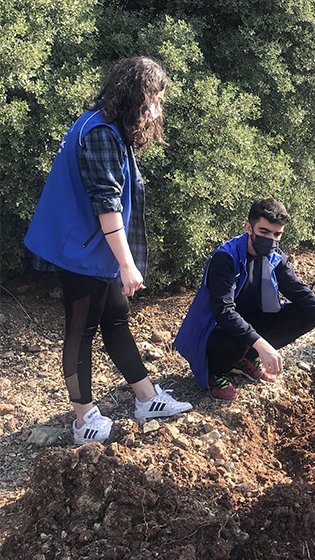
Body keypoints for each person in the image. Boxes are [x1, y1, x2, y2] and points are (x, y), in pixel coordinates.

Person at [23, 56, 193, 444]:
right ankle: (83, 419)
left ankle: (146, 398)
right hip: (81, 249)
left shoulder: (105, 124)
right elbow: (106, 203)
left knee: (115, 316)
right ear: (138, 94)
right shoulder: (100, 132)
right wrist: (127, 264)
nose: (157, 107)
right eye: (155, 97)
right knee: (80, 331)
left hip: (90, 246)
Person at [173, 200, 315, 401]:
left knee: (306, 315)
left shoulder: (274, 256)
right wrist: (262, 345)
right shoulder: (225, 258)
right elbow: (223, 312)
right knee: (239, 339)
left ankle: (243, 360)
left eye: (277, 234)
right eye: (264, 232)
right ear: (249, 227)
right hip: (214, 331)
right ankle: (215, 371)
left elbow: (298, 290)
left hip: (249, 322)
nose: (271, 239)